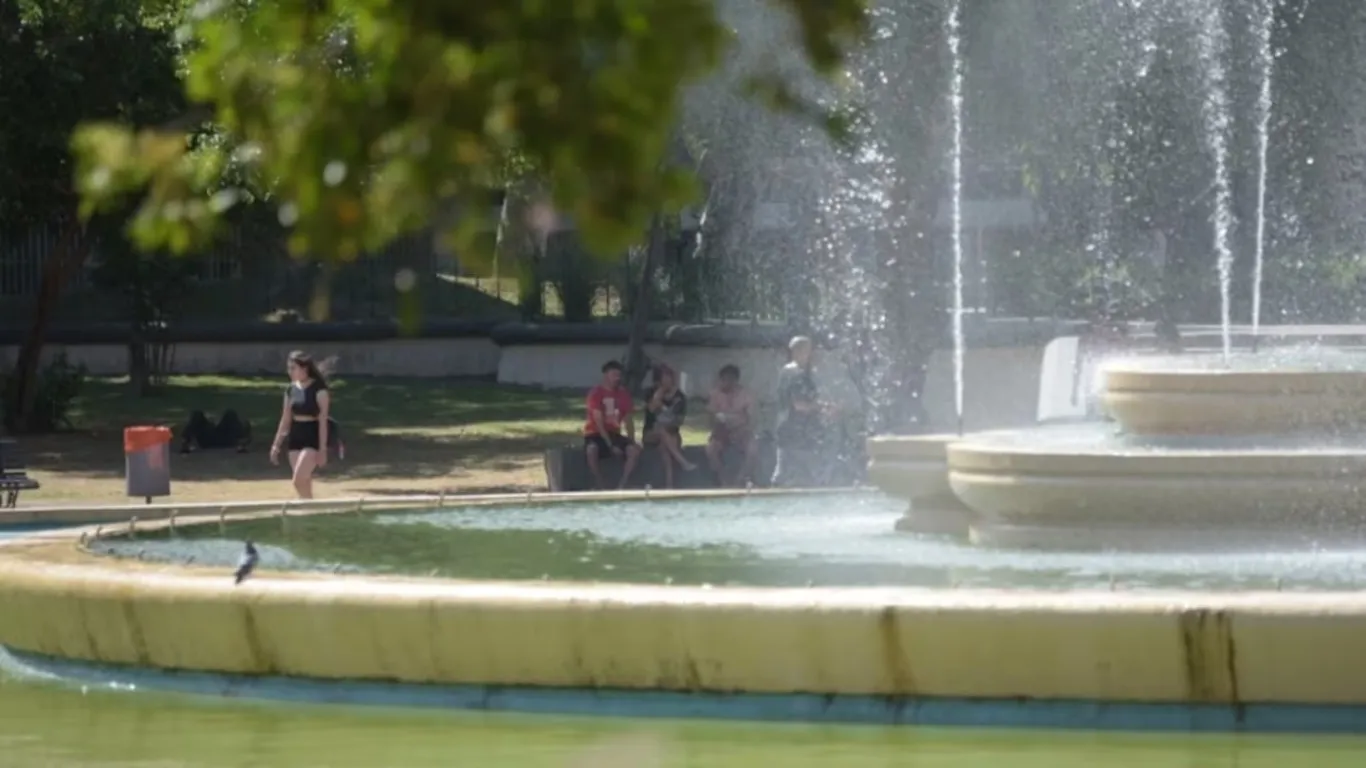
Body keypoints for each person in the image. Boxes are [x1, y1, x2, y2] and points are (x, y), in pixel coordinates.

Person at [772, 336, 835, 488]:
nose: (811, 353)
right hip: (797, 430)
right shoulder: (795, 374)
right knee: (813, 470)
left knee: (785, 471)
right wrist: (823, 408)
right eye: (808, 349)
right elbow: (799, 405)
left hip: (792, 428)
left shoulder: (792, 372)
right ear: (798, 351)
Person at [270, 350, 332, 499]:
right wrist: (276, 445)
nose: (289, 371)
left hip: (312, 437)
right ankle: (309, 511)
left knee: (297, 480)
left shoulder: (319, 390)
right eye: (288, 368)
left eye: (293, 368)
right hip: (296, 436)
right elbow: (285, 418)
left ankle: (309, 508)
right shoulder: (291, 389)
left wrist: (323, 449)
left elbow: (323, 421)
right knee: (304, 481)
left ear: (304, 368)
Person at [583, 360, 642, 489]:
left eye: (619, 375)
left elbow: (628, 420)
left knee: (634, 451)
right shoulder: (596, 393)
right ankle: (599, 483)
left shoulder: (623, 394)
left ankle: (622, 484)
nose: (617, 378)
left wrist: (631, 440)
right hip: (595, 433)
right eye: (614, 375)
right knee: (591, 450)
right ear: (606, 375)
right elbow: (598, 422)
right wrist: (610, 445)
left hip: (614, 433)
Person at [643, 365, 696, 488]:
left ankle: (669, 485)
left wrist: (669, 425)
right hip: (651, 433)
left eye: (669, 377)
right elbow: (651, 409)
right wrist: (658, 395)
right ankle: (683, 462)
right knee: (661, 430)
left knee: (665, 448)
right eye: (664, 377)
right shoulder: (650, 392)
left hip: (672, 433)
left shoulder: (679, 397)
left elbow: (679, 421)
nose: (667, 380)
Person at [705, 364, 758, 487]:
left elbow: (751, 418)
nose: (724, 383)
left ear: (734, 380)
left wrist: (740, 425)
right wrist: (717, 419)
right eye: (722, 380)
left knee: (753, 449)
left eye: (727, 380)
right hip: (721, 432)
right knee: (711, 449)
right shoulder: (715, 394)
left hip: (741, 431)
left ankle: (741, 478)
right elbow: (710, 416)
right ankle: (723, 478)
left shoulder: (745, 395)